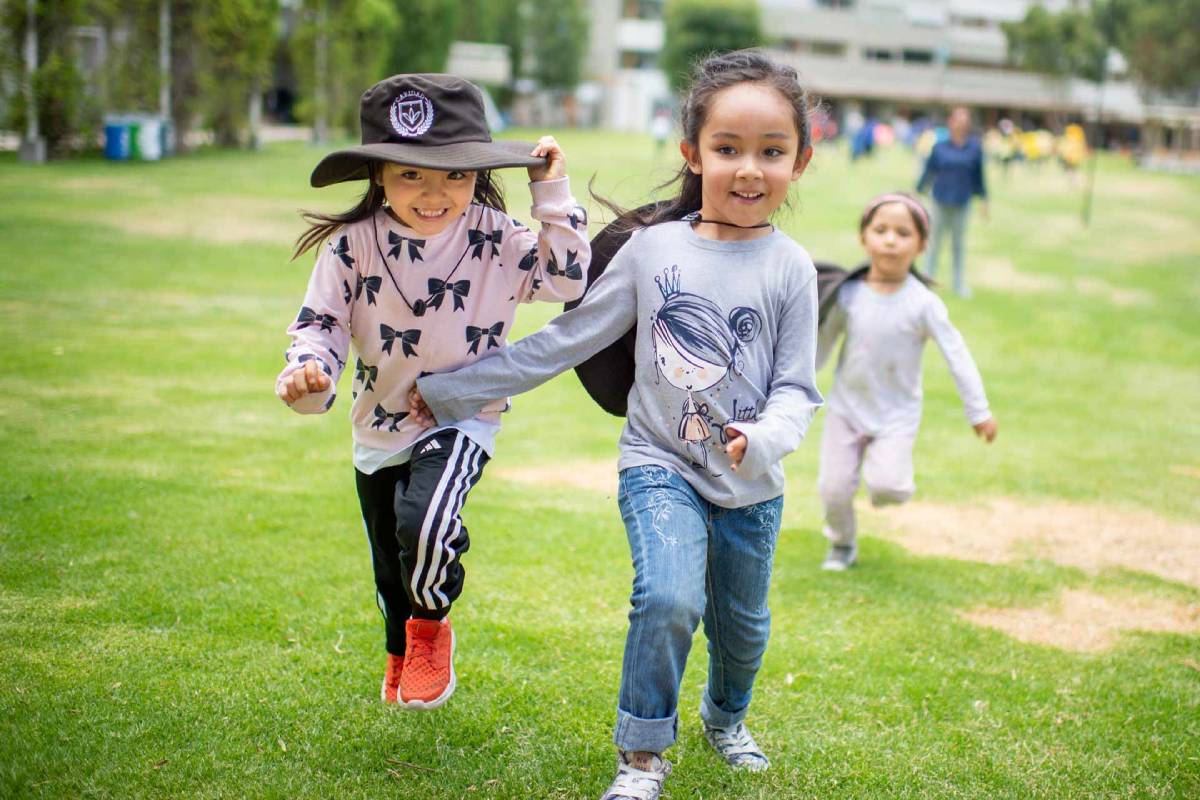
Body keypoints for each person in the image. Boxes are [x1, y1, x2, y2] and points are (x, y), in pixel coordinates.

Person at [409, 50, 822, 800]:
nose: (749, 170)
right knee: (667, 598)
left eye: (772, 151)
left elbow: (796, 388)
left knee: (742, 630)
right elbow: (566, 339)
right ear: (692, 152)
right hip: (657, 462)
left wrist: (762, 439)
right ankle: (641, 758)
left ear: (802, 158)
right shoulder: (651, 251)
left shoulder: (790, 268)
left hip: (752, 483)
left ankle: (726, 719)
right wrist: (453, 392)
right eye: (727, 149)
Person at [275, 74, 589, 710]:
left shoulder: (496, 237)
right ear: (379, 175)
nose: (434, 192)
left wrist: (549, 192)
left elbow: (566, 280)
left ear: (477, 174)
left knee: (426, 522)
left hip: (464, 415)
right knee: (393, 565)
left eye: (454, 174)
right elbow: (321, 327)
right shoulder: (351, 246)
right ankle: (401, 652)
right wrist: (309, 373)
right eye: (411, 174)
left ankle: (431, 629)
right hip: (377, 424)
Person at [815, 192, 997, 571]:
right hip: (846, 409)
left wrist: (978, 411)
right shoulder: (848, 294)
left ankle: (885, 485)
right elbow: (823, 344)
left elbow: (957, 355)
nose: (890, 240)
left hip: (896, 414)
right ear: (864, 238)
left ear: (922, 245)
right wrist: (795, 389)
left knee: (888, 488)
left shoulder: (923, 304)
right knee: (832, 489)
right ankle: (842, 544)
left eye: (902, 233)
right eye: (880, 230)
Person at [917, 106, 988, 298]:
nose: (961, 124)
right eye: (958, 119)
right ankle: (926, 280)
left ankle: (958, 284)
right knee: (933, 244)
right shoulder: (939, 147)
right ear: (950, 122)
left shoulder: (974, 148)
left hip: (962, 203)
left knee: (958, 245)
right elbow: (929, 171)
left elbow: (979, 176)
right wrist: (917, 191)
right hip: (940, 201)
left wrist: (983, 199)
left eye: (965, 120)